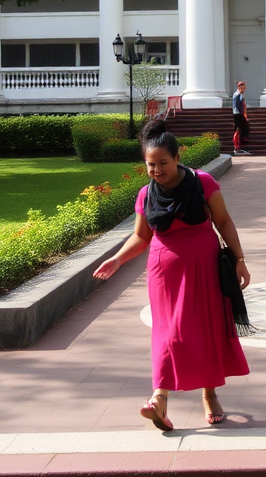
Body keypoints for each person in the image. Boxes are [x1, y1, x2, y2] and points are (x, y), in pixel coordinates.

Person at [93, 120, 251, 431]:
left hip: (205, 267)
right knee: (168, 332)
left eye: (162, 163)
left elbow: (224, 222)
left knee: (206, 329)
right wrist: (117, 259)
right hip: (164, 273)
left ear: (177, 158)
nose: (156, 171)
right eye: (151, 165)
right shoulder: (145, 194)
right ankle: (159, 399)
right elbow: (141, 237)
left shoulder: (202, 182)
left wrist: (240, 260)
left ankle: (209, 394)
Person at [231, 80, 250, 155]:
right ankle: (237, 146)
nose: (244, 89)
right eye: (243, 87)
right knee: (240, 129)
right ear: (239, 87)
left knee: (240, 129)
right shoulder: (237, 94)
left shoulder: (239, 94)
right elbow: (238, 105)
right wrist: (242, 113)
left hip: (238, 113)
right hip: (238, 114)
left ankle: (239, 146)